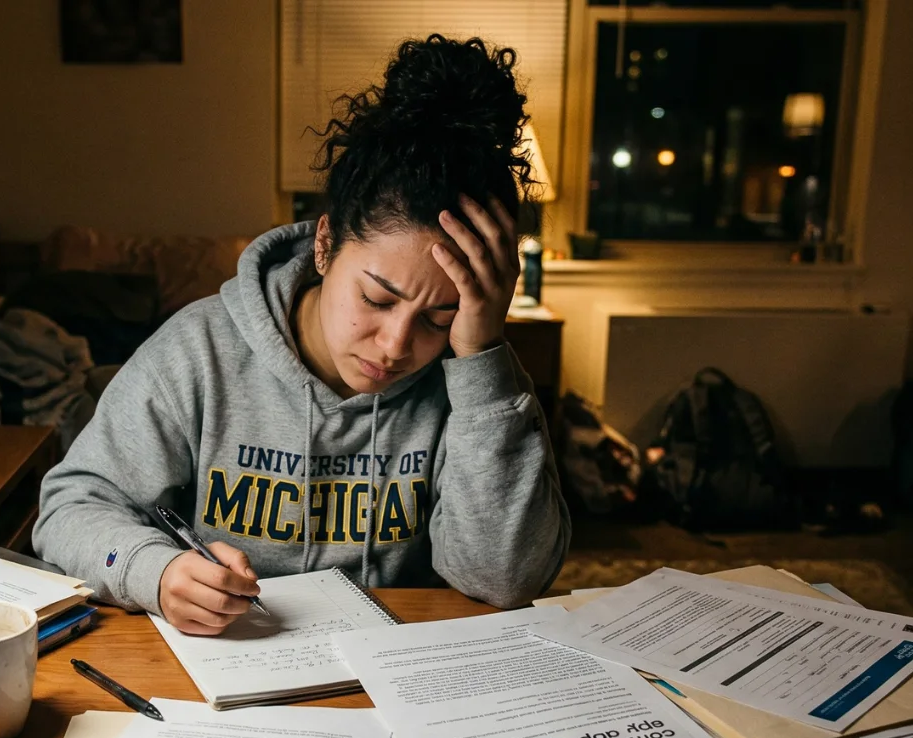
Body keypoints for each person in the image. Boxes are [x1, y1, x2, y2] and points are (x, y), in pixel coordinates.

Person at [32, 34, 571, 635]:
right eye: (375, 298)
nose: (395, 346)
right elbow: (67, 510)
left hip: (402, 679)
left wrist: (479, 358)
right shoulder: (198, 353)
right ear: (324, 244)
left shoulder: (478, 379)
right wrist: (153, 571)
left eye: (437, 318)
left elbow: (503, 579)